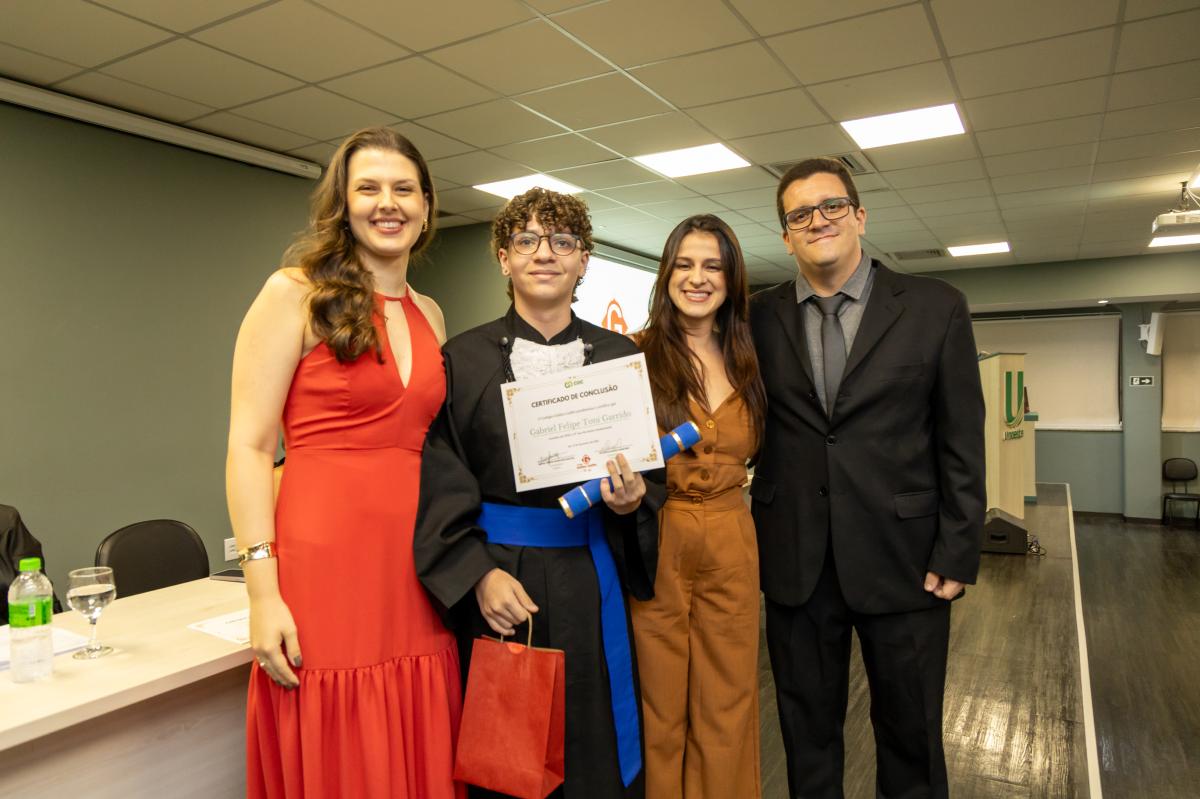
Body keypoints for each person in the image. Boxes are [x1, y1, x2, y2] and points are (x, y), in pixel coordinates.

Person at [226, 127, 463, 799]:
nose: (387, 203)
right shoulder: (293, 293)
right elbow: (248, 447)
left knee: (418, 729)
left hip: (419, 569)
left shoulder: (431, 312)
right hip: (325, 564)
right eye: (369, 188)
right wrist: (262, 593)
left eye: (403, 189)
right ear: (343, 202)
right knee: (342, 740)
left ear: (426, 205)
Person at [414, 187, 665, 799]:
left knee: (593, 746)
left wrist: (632, 500)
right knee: (510, 756)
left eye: (562, 241)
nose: (544, 253)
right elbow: (439, 478)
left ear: (584, 260)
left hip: (591, 574)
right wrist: (476, 575)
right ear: (504, 259)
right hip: (502, 580)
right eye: (526, 240)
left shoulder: (620, 357)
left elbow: (648, 476)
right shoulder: (461, 359)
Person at [749, 157, 985, 798]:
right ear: (786, 236)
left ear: (859, 215)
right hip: (797, 561)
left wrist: (958, 549)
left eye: (831, 206)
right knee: (806, 736)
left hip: (907, 559)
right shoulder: (756, 318)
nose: (817, 220)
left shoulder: (935, 306)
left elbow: (961, 438)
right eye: (800, 214)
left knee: (911, 736)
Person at [630, 215, 766, 799]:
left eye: (712, 265)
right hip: (657, 536)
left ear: (731, 279)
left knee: (728, 698)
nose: (697, 277)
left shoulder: (751, 359)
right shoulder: (634, 355)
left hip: (733, 536)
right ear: (666, 275)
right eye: (684, 264)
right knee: (658, 700)